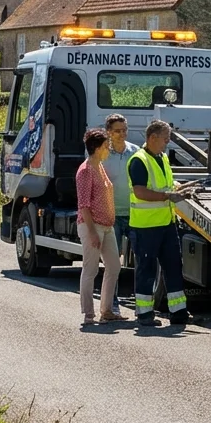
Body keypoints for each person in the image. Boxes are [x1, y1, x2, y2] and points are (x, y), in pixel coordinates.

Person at [128, 120, 194, 326]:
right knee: (147, 269)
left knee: (174, 266)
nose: (167, 142)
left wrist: (179, 188)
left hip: (166, 223)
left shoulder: (162, 157)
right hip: (146, 226)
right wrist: (168, 195)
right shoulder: (139, 160)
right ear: (152, 138)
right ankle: (144, 314)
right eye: (165, 139)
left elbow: (166, 183)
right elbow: (140, 191)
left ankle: (179, 312)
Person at [76, 128, 126, 325]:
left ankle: (107, 310)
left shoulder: (100, 166)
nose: (109, 150)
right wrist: (91, 233)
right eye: (106, 146)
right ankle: (89, 313)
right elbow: (84, 205)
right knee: (90, 270)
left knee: (114, 266)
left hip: (107, 225)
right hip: (92, 226)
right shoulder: (86, 171)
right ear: (96, 148)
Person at [102, 114, 139, 260]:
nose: (122, 134)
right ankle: (113, 284)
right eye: (118, 131)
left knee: (141, 258)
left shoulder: (136, 152)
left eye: (125, 130)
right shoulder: (102, 154)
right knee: (112, 260)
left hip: (134, 213)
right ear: (108, 132)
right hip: (112, 215)